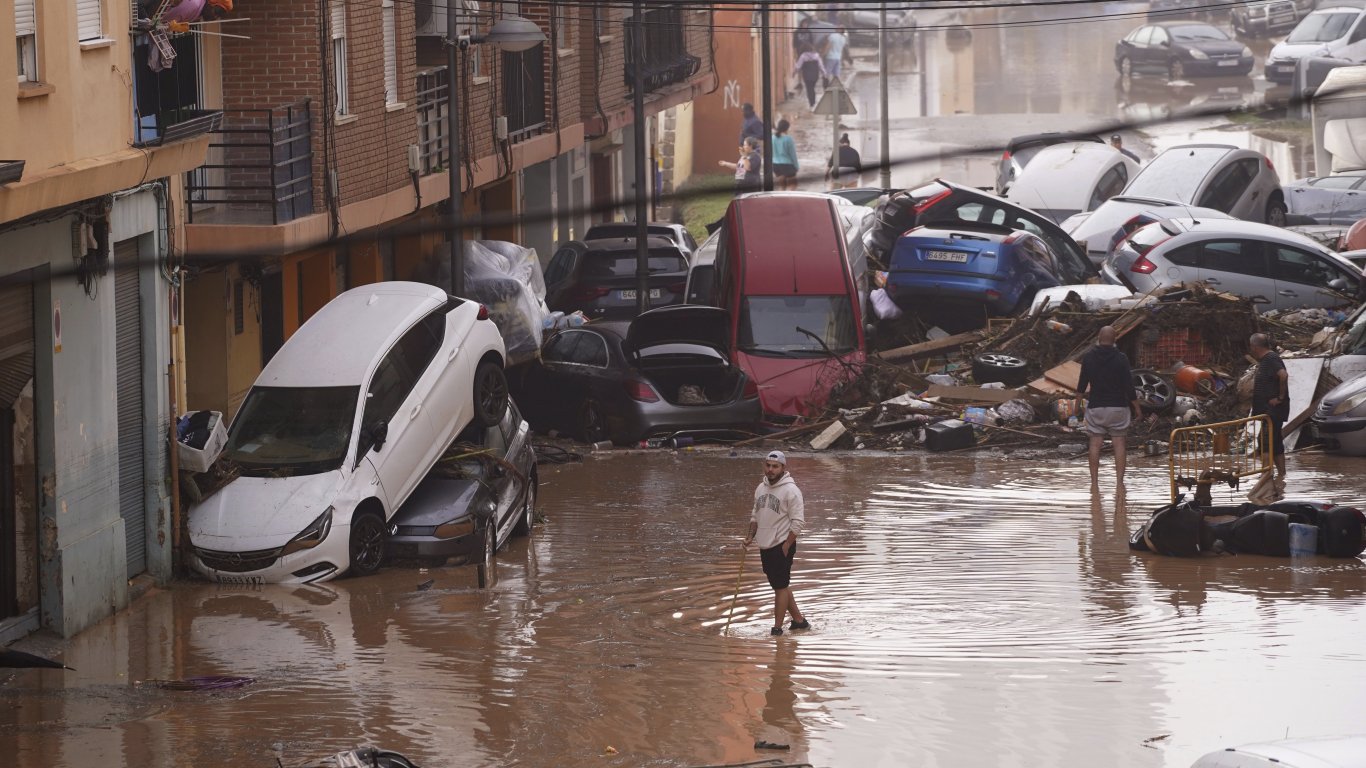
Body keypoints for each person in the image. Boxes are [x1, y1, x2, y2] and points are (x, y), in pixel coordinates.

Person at [743, 450, 809, 637]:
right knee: (780, 584)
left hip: (781, 544)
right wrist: (749, 538)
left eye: (775, 466)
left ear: (783, 468)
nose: (770, 470)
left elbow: (798, 522)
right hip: (764, 545)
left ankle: (777, 629)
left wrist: (787, 545)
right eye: (768, 465)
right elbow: (755, 516)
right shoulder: (760, 488)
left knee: (779, 587)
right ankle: (799, 621)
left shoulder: (791, 491)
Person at [1076, 325, 1143, 490]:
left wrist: (1076, 407)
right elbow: (1129, 386)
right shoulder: (1121, 358)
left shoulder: (1089, 357)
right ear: (1115, 340)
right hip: (1118, 408)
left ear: (1098, 337)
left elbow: (1081, 384)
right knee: (1119, 444)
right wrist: (1137, 408)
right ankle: (1119, 483)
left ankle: (1094, 484)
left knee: (1094, 444)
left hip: (1096, 408)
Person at [1250, 333, 1290, 490]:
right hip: (1269, 412)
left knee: (1265, 444)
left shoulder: (1271, 358)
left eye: (1251, 346)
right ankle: (1281, 477)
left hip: (1272, 412)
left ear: (1255, 347)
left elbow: (1283, 375)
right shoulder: (1266, 360)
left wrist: (1279, 397)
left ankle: (1266, 479)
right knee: (1276, 444)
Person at [794, 44, 827, 110]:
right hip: (815, 75)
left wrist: (794, 72)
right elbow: (821, 66)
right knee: (812, 88)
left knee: (809, 89)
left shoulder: (803, 56)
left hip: (806, 75)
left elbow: (798, 66)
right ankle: (813, 102)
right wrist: (824, 74)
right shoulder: (816, 55)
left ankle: (812, 103)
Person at [771, 119, 799, 191]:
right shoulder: (788, 139)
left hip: (776, 165)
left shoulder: (772, 138)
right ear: (787, 128)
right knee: (792, 187)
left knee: (781, 187)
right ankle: (789, 202)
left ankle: (780, 201)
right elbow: (792, 154)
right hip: (788, 165)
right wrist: (796, 166)